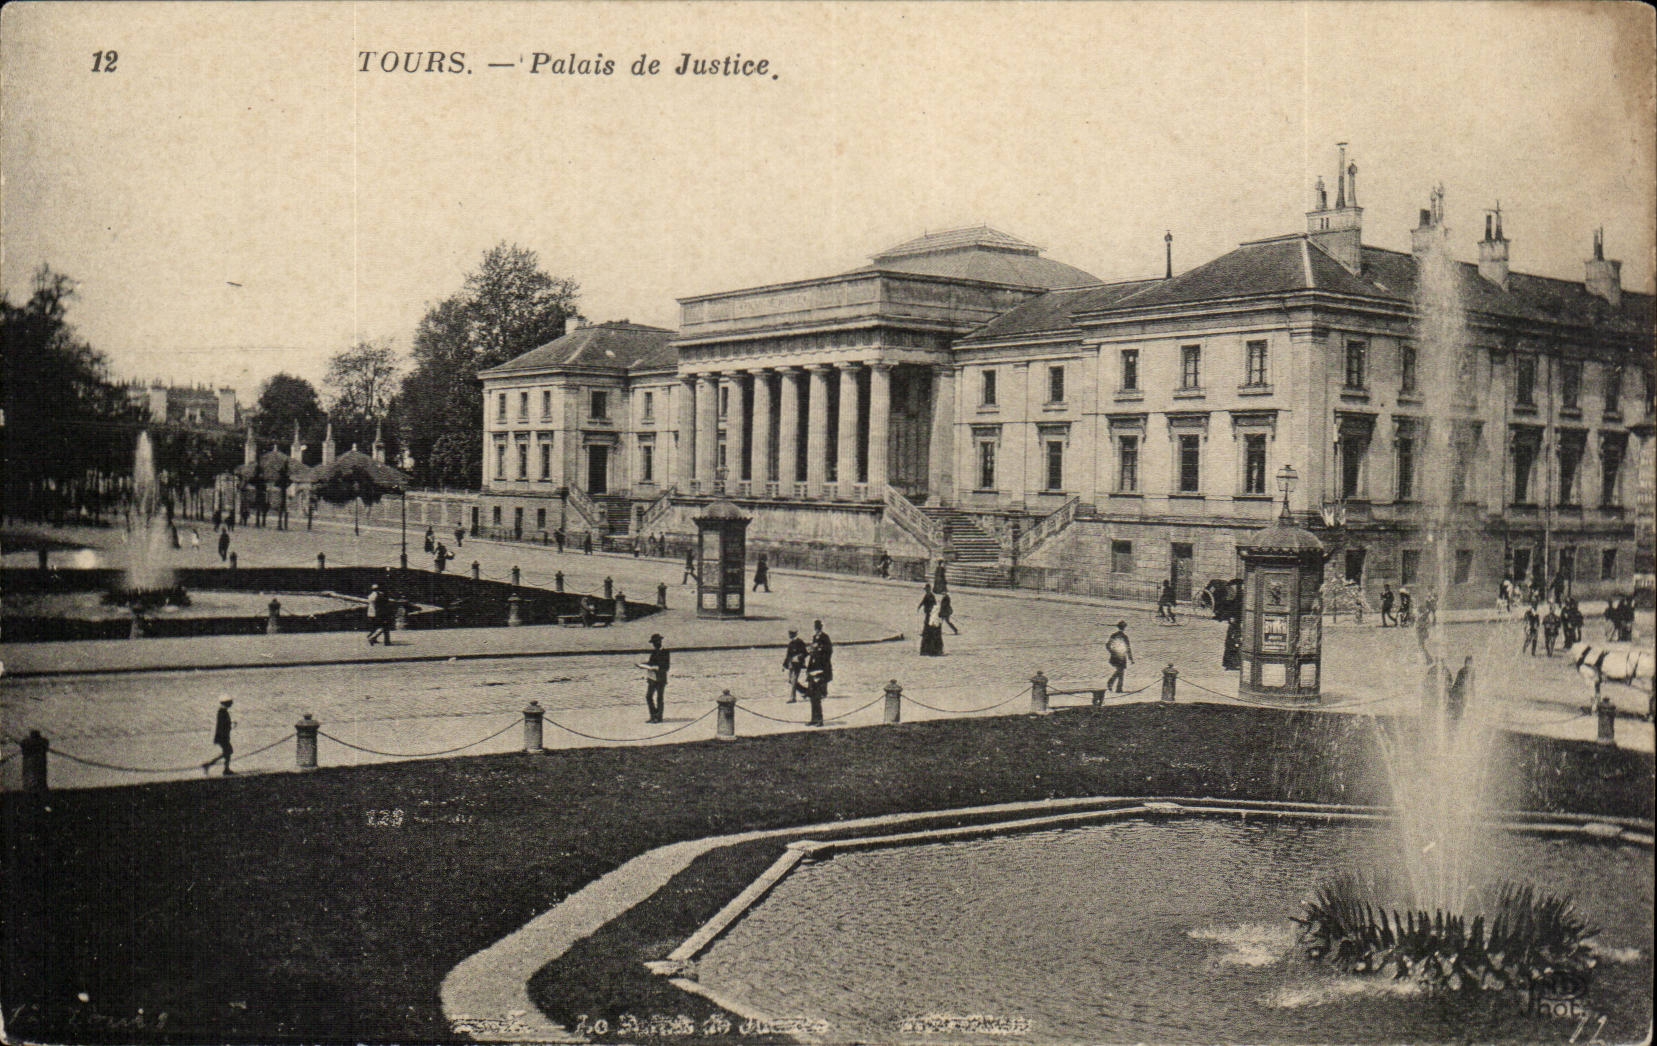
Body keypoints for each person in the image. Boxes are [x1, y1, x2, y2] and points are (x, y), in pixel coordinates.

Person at [803, 623, 834, 726]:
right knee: (812, 697)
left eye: (818, 628)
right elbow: (811, 656)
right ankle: (813, 719)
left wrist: (820, 649)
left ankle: (819, 720)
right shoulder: (815, 638)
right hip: (813, 671)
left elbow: (828, 652)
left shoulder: (825, 638)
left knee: (817, 697)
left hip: (820, 672)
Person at [639, 633, 669, 723]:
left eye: (656, 642)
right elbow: (650, 662)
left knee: (659, 698)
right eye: (653, 643)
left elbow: (666, 667)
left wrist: (657, 668)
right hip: (652, 678)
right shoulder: (654, 652)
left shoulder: (665, 652)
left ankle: (659, 717)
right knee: (648, 696)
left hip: (660, 678)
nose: (654, 645)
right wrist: (643, 665)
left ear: (660, 642)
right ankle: (653, 715)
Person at [201, 697, 235, 776]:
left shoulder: (222, 711)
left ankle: (217, 766)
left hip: (222, 736)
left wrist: (230, 724)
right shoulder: (222, 712)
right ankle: (224, 769)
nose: (231, 704)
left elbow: (223, 724)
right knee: (228, 752)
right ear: (227, 703)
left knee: (227, 752)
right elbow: (222, 725)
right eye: (230, 703)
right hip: (222, 737)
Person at [1105, 620, 1133, 693]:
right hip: (1121, 656)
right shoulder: (1124, 637)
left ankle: (1117, 687)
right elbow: (1128, 648)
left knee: (1120, 671)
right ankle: (1112, 684)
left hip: (1115, 655)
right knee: (1120, 671)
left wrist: (1112, 652)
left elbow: (1107, 645)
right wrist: (1131, 658)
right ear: (1124, 628)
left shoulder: (1113, 635)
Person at [784, 629, 808, 702]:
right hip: (791, 664)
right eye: (789, 633)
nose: (789, 635)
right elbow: (788, 655)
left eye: (791, 633)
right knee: (790, 680)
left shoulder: (799, 642)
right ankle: (805, 691)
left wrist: (798, 657)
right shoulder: (791, 643)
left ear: (794, 634)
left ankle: (793, 697)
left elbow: (805, 653)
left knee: (794, 680)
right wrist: (784, 665)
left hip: (797, 664)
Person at [1447, 656, 1474, 723]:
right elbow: (1458, 681)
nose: (1468, 664)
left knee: (1462, 705)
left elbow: (1472, 683)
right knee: (1459, 705)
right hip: (1459, 691)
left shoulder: (1472, 672)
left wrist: (1472, 691)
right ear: (1465, 663)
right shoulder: (1462, 671)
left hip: (1464, 691)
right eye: (1467, 662)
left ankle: (1459, 718)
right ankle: (1457, 718)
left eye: (1470, 663)